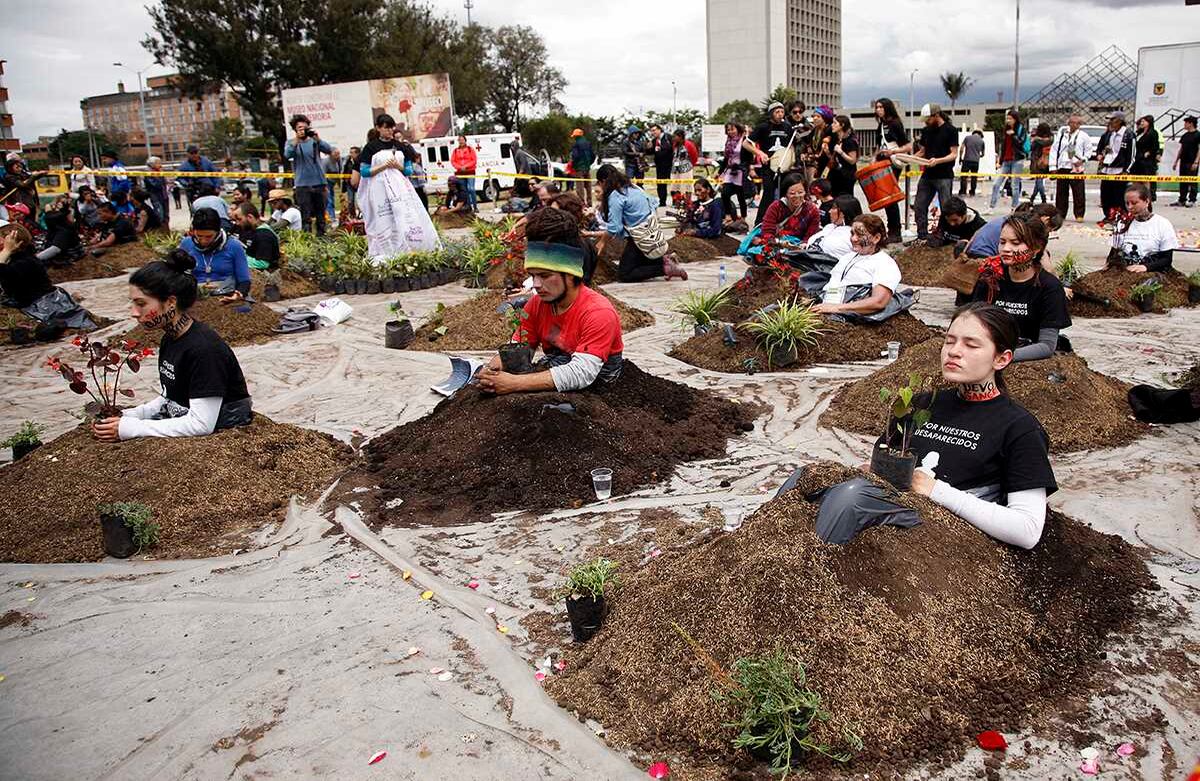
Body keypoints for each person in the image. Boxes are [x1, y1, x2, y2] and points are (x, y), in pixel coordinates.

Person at [806, 302, 1056, 549]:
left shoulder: (1019, 427)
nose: (954, 351)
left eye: (971, 345)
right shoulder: (921, 404)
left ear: (1001, 359)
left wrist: (936, 490)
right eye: (949, 341)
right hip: (891, 504)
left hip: (940, 531)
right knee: (807, 479)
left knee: (852, 497)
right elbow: (886, 463)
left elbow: (1027, 530)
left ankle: (813, 568)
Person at [92, 250, 252, 442]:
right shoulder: (170, 339)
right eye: (133, 303)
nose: (134, 313)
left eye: (141, 304)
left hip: (224, 439)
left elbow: (201, 424)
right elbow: (171, 399)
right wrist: (130, 415)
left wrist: (132, 428)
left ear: (170, 302)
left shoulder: (205, 350)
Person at [476, 240, 624, 395]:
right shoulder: (537, 304)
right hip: (559, 363)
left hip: (596, 382)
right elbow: (519, 345)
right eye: (533, 276)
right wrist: (493, 370)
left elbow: (583, 372)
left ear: (571, 276)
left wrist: (514, 383)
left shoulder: (599, 312)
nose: (536, 284)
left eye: (545, 276)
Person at [971, 216, 1070, 362]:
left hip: (1026, 359)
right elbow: (973, 324)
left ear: (1036, 248)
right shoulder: (990, 278)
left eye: (1015, 243)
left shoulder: (1050, 287)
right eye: (1002, 242)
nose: (1006, 249)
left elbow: (1047, 346)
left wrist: (1001, 358)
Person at [356, 113, 439, 260]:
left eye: (391, 128)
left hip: (400, 188)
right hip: (379, 188)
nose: (389, 131)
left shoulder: (400, 146)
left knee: (404, 217)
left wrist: (398, 166)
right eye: (386, 128)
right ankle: (385, 249)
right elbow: (364, 171)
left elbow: (408, 170)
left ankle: (408, 246)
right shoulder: (370, 147)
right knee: (384, 218)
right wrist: (382, 167)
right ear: (378, 128)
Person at [595, 164, 686, 282]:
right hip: (651, 230)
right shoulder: (633, 187)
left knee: (625, 274)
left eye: (600, 183)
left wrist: (602, 242)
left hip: (638, 237)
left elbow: (614, 228)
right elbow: (653, 202)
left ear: (603, 181)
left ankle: (665, 268)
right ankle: (664, 260)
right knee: (640, 258)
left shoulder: (616, 196)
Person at [812, 214, 903, 317]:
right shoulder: (848, 257)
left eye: (859, 235)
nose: (853, 239)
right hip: (828, 307)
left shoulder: (885, 264)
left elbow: (879, 301)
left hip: (848, 317)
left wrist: (837, 308)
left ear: (876, 238)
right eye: (852, 234)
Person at [912, 103, 960, 243]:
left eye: (928, 119)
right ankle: (922, 235)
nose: (926, 122)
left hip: (944, 175)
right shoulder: (926, 131)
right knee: (919, 205)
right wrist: (909, 159)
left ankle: (945, 235)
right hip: (928, 175)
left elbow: (954, 154)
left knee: (946, 208)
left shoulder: (950, 130)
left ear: (936, 115)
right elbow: (923, 151)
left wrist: (938, 161)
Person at [178, 207, 251, 298]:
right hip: (194, 297)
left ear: (218, 231)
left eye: (209, 236)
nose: (204, 241)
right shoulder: (187, 244)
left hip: (226, 294)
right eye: (199, 236)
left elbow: (244, 280)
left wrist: (237, 295)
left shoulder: (234, 246)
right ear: (193, 231)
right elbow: (177, 275)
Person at [1110, 183, 1179, 272]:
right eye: (1127, 203)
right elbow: (1113, 254)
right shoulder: (1122, 223)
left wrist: (1146, 267)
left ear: (1147, 202)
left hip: (1153, 271)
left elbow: (1167, 259)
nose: (1130, 207)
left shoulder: (1162, 224)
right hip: (1126, 270)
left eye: (1134, 203)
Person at [283, 114, 333, 235]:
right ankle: (307, 240)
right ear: (295, 130)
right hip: (302, 185)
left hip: (319, 182)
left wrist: (318, 139)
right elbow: (287, 154)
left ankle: (322, 239)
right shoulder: (291, 143)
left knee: (321, 216)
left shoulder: (314, 142)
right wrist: (296, 140)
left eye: (305, 127)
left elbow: (328, 149)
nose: (303, 130)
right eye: (299, 128)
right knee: (305, 217)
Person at [750, 102, 794, 226]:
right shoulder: (763, 127)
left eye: (782, 112)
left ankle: (782, 222)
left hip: (783, 166)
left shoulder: (787, 127)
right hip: (768, 166)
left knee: (784, 195)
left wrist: (791, 160)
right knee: (768, 195)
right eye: (777, 112)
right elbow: (746, 144)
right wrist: (760, 153)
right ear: (771, 114)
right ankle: (759, 223)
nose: (780, 114)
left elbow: (791, 146)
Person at [874, 98, 912, 243]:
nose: (878, 110)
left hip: (893, 162)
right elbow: (879, 146)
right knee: (885, 197)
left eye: (881, 107)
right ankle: (892, 229)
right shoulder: (881, 125)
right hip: (882, 162)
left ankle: (895, 230)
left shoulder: (895, 124)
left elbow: (907, 145)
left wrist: (893, 151)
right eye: (877, 107)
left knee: (890, 197)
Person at [1050, 115, 1094, 222]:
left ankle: (1079, 214)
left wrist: (1083, 160)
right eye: (1071, 122)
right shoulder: (1061, 135)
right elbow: (1054, 150)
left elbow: (1089, 151)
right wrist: (1053, 166)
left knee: (1078, 192)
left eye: (1076, 123)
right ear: (1068, 123)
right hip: (1063, 166)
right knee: (1061, 193)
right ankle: (1060, 213)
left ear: (1080, 125)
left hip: (1076, 167)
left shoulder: (1084, 136)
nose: (1073, 125)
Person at [758, 174, 822, 247]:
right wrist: (777, 243)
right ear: (785, 194)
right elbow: (767, 232)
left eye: (800, 192)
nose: (797, 196)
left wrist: (802, 245)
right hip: (776, 244)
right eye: (792, 193)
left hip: (799, 248)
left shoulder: (812, 210)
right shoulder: (776, 207)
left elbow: (810, 237)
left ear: (805, 192)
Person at [988, 110, 1029, 212]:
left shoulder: (1020, 129)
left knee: (1014, 185)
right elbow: (1004, 146)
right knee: (996, 184)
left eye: (1010, 118)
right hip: (1006, 160)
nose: (1008, 120)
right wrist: (1000, 161)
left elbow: (1021, 143)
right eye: (1007, 118)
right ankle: (991, 207)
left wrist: (1014, 135)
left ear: (1015, 119)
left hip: (1017, 159)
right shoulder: (1006, 130)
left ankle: (1014, 208)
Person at [1096, 112, 1133, 223]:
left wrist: (1127, 170)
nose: (1111, 122)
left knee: (1119, 195)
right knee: (1106, 194)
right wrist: (1100, 155)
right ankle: (1109, 215)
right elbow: (1100, 148)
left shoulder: (1128, 134)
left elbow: (1132, 154)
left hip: (1119, 170)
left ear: (1120, 121)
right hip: (1107, 169)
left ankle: (1120, 216)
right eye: (1110, 120)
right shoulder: (1108, 134)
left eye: (1113, 120)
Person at [803, 194, 863, 261]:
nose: (829, 211)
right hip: (806, 259)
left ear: (843, 213)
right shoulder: (829, 227)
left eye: (833, 208)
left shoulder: (854, 235)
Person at [718, 122, 752, 225]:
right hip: (729, 170)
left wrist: (744, 166)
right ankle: (728, 216)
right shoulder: (728, 142)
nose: (730, 132)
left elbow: (750, 157)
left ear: (738, 129)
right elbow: (726, 158)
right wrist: (720, 171)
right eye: (728, 130)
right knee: (724, 193)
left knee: (740, 195)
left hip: (740, 170)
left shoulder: (744, 140)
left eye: (732, 129)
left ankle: (743, 217)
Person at [233, 202, 280, 275]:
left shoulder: (264, 235)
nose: (237, 223)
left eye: (239, 219)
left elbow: (262, 263)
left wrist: (236, 259)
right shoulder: (250, 230)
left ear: (250, 217)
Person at [36, 198, 83, 265]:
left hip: (67, 255)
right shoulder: (60, 227)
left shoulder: (64, 230)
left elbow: (55, 249)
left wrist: (35, 258)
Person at [826, 115, 859, 198]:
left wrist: (841, 152)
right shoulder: (839, 139)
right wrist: (827, 152)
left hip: (846, 175)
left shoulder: (850, 141)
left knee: (845, 199)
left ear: (842, 125)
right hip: (837, 174)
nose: (832, 125)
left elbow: (852, 160)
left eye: (835, 123)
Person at [1132, 115, 1162, 202]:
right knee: (1135, 180)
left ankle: (1147, 199)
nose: (1141, 123)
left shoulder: (1153, 133)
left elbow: (1155, 146)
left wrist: (1148, 153)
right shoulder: (1139, 133)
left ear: (1149, 123)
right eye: (1141, 121)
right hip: (1136, 159)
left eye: (1143, 121)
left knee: (1145, 181)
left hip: (1146, 161)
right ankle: (1137, 198)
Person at [1170, 116, 1198, 208]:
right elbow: (1181, 149)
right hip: (1184, 161)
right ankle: (1182, 199)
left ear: (1191, 123)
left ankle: (1192, 200)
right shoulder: (1185, 136)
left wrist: (1196, 162)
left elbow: (1199, 149)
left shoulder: (1198, 135)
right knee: (1183, 181)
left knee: (1192, 181)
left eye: (1186, 123)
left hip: (1192, 161)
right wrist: (1176, 161)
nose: (1184, 125)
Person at [645, 125, 675, 207]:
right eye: (651, 131)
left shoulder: (668, 137)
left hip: (670, 165)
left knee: (674, 184)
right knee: (661, 185)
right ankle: (662, 202)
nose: (653, 132)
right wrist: (648, 148)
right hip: (659, 166)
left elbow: (671, 148)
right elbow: (650, 152)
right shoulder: (654, 141)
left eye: (654, 130)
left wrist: (661, 148)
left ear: (659, 130)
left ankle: (675, 202)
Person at [451, 135, 478, 213]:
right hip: (460, 173)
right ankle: (468, 206)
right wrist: (459, 167)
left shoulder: (470, 149)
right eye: (459, 140)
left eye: (462, 140)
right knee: (464, 190)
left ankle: (475, 206)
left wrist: (466, 166)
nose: (461, 141)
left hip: (470, 172)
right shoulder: (455, 151)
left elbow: (474, 160)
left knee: (471, 189)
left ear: (465, 140)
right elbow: (453, 161)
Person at [1027, 123, 1053, 205]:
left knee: (1039, 181)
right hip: (1047, 161)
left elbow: (1031, 148)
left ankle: (1043, 198)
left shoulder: (1036, 139)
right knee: (1039, 181)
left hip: (1037, 161)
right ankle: (1032, 198)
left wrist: (1034, 139)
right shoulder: (1051, 138)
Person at [670, 129, 698, 202]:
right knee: (675, 186)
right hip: (675, 169)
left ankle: (688, 202)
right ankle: (677, 202)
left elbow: (694, 156)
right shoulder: (674, 145)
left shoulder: (688, 144)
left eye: (675, 137)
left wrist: (691, 165)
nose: (674, 138)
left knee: (687, 186)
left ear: (680, 137)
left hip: (686, 169)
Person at [569, 129, 595, 206]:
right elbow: (593, 156)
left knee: (580, 187)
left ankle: (581, 203)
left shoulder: (576, 145)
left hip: (579, 168)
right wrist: (588, 164)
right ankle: (590, 202)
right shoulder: (588, 143)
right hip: (587, 168)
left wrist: (573, 165)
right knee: (588, 186)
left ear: (576, 136)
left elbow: (575, 156)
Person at [144, 157, 170, 228]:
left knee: (166, 216)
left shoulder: (159, 172)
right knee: (160, 216)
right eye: (158, 163)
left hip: (164, 196)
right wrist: (161, 175)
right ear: (152, 164)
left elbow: (165, 183)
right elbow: (156, 185)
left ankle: (167, 232)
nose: (160, 165)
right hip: (156, 197)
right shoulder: (149, 173)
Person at [958, 130, 985, 197]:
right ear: (980, 135)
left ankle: (963, 191)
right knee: (974, 177)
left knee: (964, 176)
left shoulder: (967, 138)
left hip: (967, 160)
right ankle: (972, 191)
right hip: (976, 162)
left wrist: (960, 157)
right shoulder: (981, 141)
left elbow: (961, 148)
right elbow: (983, 154)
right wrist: (978, 155)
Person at [341, 148, 361, 217]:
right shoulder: (347, 161)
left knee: (359, 201)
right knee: (350, 201)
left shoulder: (361, 161)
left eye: (352, 152)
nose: (351, 154)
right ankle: (352, 216)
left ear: (357, 153)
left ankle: (360, 215)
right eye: (350, 152)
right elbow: (344, 172)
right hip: (349, 184)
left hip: (359, 184)